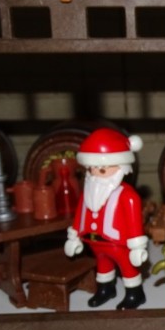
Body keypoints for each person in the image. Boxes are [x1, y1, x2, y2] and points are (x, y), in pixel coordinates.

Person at [64, 128, 149, 310]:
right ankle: (106, 289)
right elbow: (80, 215)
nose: (96, 172)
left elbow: (134, 223)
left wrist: (137, 247)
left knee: (128, 267)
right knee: (102, 266)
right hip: (95, 242)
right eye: (92, 168)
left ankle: (135, 293)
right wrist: (74, 236)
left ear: (121, 166)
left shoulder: (128, 195)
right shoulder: (88, 192)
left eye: (101, 168)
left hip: (119, 244)